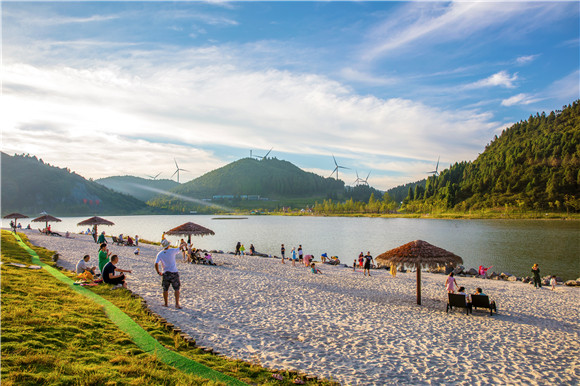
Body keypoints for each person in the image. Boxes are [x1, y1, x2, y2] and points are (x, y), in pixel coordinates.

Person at [155, 238, 182, 309]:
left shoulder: (160, 254)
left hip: (165, 273)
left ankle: (166, 303)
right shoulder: (172, 251)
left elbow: (156, 263)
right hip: (174, 272)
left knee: (165, 289)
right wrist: (183, 244)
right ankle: (177, 304)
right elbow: (180, 248)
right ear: (168, 245)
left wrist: (158, 271)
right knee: (176, 289)